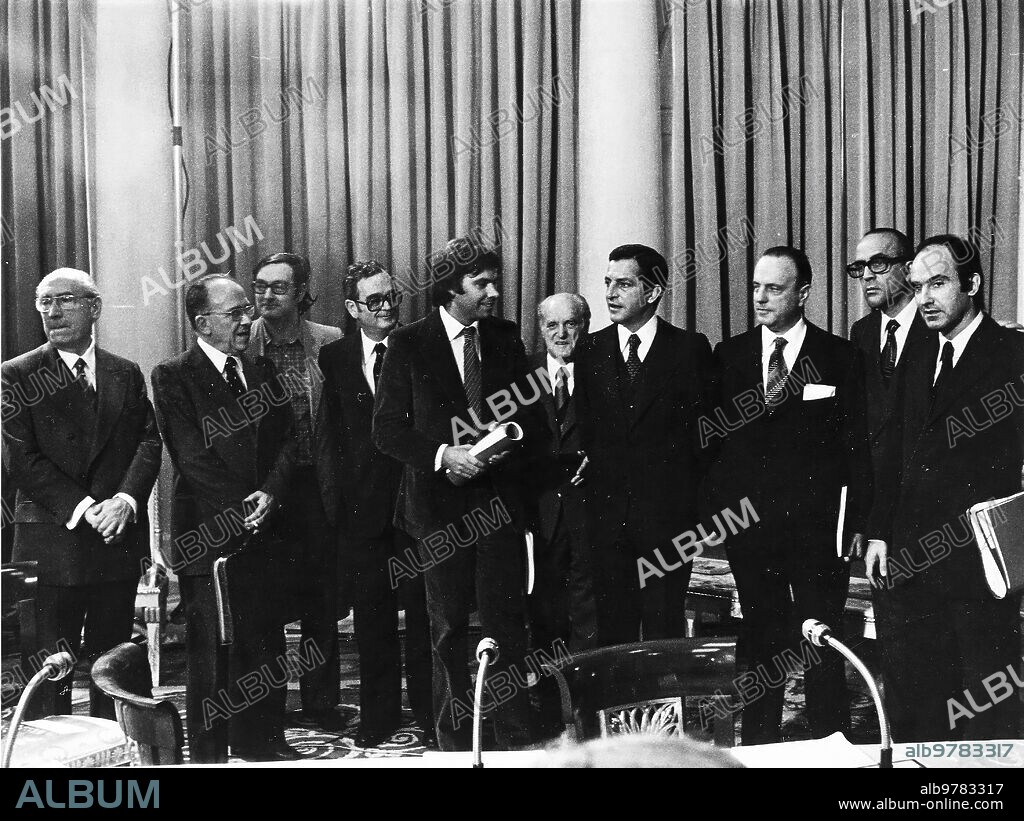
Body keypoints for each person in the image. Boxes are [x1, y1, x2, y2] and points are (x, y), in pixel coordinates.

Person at [372, 237, 541, 751]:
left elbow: (528, 415)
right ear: (450, 288)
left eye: (494, 282)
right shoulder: (406, 344)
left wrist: (502, 441)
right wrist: (447, 454)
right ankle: (452, 740)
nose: (493, 292)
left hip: (496, 508)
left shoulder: (505, 339)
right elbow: (387, 431)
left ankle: (512, 736)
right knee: (445, 630)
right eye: (481, 284)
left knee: (506, 626)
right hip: (437, 511)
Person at [703, 246, 872, 744]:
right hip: (750, 529)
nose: (760, 298)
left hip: (818, 530)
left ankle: (828, 741)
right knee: (760, 638)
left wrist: (856, 520)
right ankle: (757, 743)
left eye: (773, 288)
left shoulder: (840, 356)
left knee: (821, 637)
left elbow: (855, 446)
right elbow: (714, 444)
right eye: (755, 287)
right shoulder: (728, 355)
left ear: (803, 293)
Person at [865, 235, 1023, 741]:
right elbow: (891, 450)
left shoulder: (1013, 353)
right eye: (917, 288)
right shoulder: (914, 350)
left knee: (984, 705)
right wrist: (879, 533)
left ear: (972, 285)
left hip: (978, 563)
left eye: (938, 284)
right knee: (914, 702)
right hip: (909, 560)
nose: (925, 299)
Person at [151, 273, 298, 762]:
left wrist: (270, 495)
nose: (247, 320)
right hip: (209, 535)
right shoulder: (173, 375)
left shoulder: (262, 369)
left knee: (264, 642)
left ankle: (264, 746)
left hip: (266, 529)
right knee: (212, 652)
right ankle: (209, 756)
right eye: (234, 313)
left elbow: (286, 443)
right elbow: (192, 458)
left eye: (245, 311)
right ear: (201, 322)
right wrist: (245, 507)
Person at [2, 268, 161, 719]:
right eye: (44, 303)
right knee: (51, 669)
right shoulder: (16, 374)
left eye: (65, 300)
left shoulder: (125, 373)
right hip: (54, 542)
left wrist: (125, 502)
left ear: (94, 308)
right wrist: (90, 508)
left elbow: (149, 442)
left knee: (112, 666)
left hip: (115, 539)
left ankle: (112, 750)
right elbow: (21, 461)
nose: (52, 312)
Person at [573, 244, 716, 645]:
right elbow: (588, 433)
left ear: (653, 292)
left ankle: (664, 710)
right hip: (607, 521)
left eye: (623, 284)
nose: (610, 294)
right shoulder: (589, 350)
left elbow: (706, 439)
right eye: (607, 283)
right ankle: (619, 712)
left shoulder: (690, 349)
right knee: (613, 630)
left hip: (669, 522)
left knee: (662, 626)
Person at [318, 260, 434, 748]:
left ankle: (432, 715)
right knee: (372, 621)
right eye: (375, 301)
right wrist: (339, 513)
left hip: (416, 509)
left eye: (392, 297)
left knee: (425, 618)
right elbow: (331, 442)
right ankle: (379, 716)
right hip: (362, 516)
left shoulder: (420, 349)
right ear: (352, 308)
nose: (387, 307)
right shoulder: (335, 358)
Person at [248, 251, 344, 732]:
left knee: (320, 600)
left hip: (318, 486)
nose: (265, 295)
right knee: (263, 602)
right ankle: (266, 707)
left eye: (278, 287)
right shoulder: (241, 345)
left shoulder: (331, 342)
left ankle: (321, 703)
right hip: (263, 492)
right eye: (260, 285)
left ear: (302, 294)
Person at [527, 293, 597, 734]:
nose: (562, 334)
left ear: (585, 326)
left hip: (590, 515)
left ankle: (587, 714)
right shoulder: (524, 375)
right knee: (543, 618)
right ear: (541, 329)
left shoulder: (603, 369)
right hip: (540, 516)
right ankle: (548, 715)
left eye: (570, 324)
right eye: (551, 326)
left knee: (589, 617)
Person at [848, 228, 931, 492]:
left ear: (908, 270)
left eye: (878, 263)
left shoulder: (937, 325)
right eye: (860, 267)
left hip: (922, 491)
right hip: (874, 492)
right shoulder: (860, 331)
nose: (867, 276)